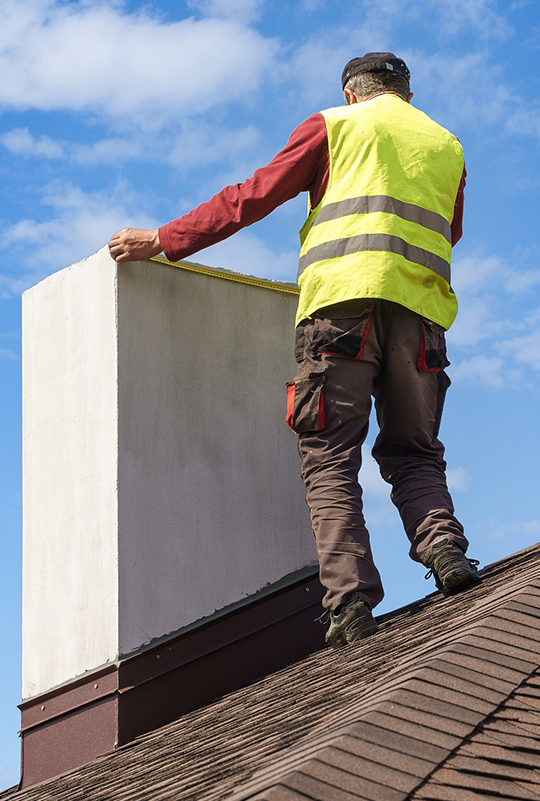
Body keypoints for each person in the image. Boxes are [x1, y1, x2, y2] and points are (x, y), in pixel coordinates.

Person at [107, 52, 479, 647]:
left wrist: (164, 239)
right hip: (421, 319)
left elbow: (252, 196)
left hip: (339, 311)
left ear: (352, 94)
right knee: (414, 449)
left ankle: (351, 600)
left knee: (329, 453)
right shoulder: (447, 146)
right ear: (405, 96)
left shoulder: (334, 126)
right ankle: (446, 551)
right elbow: (449, 231)